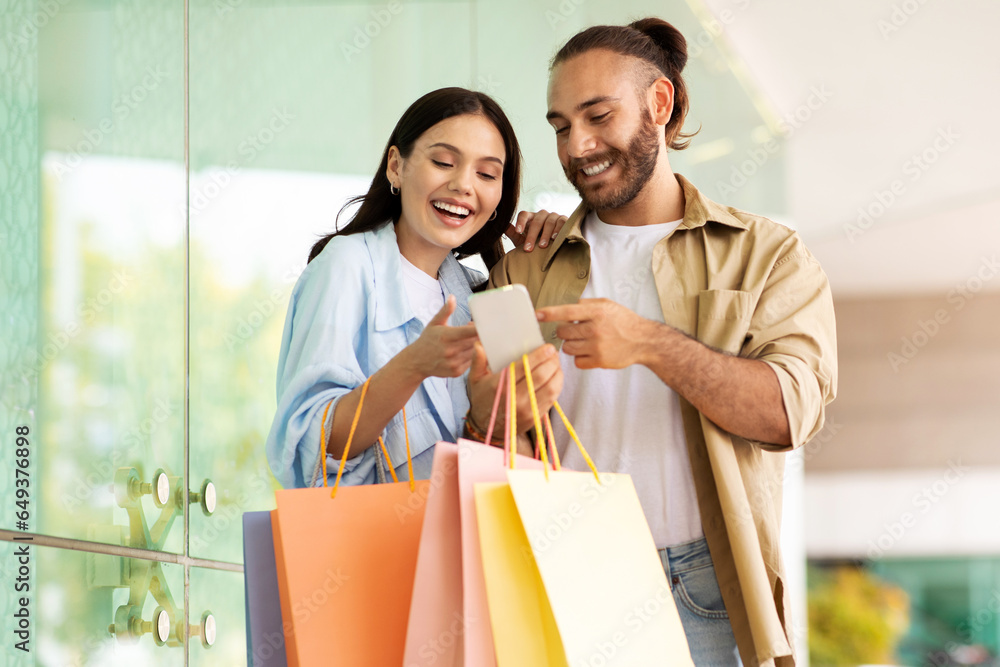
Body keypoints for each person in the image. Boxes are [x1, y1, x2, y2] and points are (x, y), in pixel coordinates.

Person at [479, 18, 838, 667]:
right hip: (564, 573)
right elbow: (489, 438)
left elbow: (789, 412)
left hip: (705, 584)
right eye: (561, 125)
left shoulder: (768, 256)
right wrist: (509, 408)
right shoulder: (521, 270)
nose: (577, 144)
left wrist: (648, 342)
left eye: (597, 115)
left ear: (660, 103)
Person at [266, 87, 565, 489]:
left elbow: (526, 461)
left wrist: (544, 259)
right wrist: (414, 364)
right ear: (396, 166)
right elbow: (312, 447)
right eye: (444, 162)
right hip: (374, 547)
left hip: (466, 546)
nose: (464, 185)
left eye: (487, 174)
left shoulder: (487, 296)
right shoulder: (346, 265)